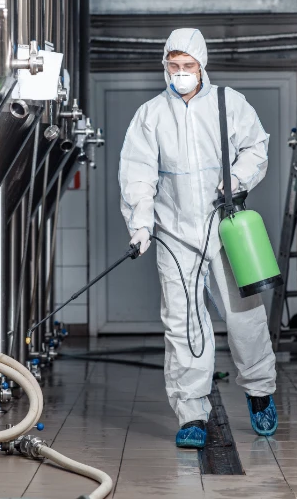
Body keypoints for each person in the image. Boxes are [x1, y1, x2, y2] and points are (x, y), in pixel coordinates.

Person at [118, 28, 278, 449]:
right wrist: (141, 225)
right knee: (183, 324)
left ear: (202, 66)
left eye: (189, 67)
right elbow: (137, 172)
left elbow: (257, 147)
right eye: (174, 66)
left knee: (244, 317)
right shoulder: (150, 115)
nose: (181, 74)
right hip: (174, 233)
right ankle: (192, 413)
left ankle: (260, 392)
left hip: (225, 229)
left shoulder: (230, 103)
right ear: (165, 66)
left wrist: (237, 179)